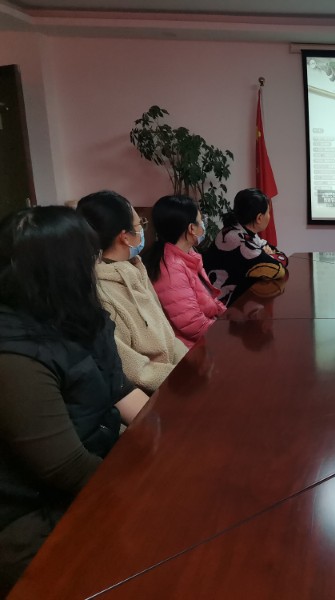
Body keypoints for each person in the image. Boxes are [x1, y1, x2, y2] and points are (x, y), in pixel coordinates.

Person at [0, 206, 148, 592]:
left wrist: (168, 437)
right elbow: (66, 467)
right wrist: (138, 492)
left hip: (93, 480)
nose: (96, 263)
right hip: (33, 516)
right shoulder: (14, 355)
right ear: (64, 268)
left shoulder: (78, 317)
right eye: (89, 255)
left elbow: (119, 390)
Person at [76, 191, 188, 394]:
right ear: (125, 237)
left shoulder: (135, 268)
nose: (142, 230)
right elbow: (135, 371)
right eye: (139, 225)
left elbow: (167, 335)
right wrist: (183, 377)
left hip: (174, 378)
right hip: (150, 394)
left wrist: (190, 364)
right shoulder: (101, 293)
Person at [142, 195, 226, 348]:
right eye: (201, 221)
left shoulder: (189, 254)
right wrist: (228, 329)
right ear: (191, 228)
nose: (203, 225)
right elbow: (193, 325)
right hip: (192, 349)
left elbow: (208, 298)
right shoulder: (170, 268)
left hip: (209, 333)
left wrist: (227, 315)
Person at [204, 188, 288, 305]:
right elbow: (279, 270)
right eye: (268, 212)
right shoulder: (239, 240)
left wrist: (268, 254)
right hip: (221, 304)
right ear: (259, 218)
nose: (269, 216)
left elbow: (275, 252)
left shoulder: (240, 229)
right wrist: (268, 255)